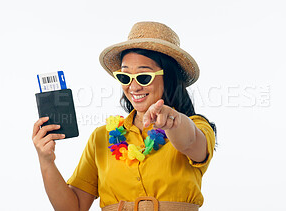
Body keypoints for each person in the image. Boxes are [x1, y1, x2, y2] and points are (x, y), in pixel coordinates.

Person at [32, 21, 217, 211]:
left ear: (168, 77)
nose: (134, 86)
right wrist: (46, 161)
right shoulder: (101, 137)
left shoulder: (195, 127)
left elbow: (190, 141)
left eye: (144, 76)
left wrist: (174, 122)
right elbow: (73, 208)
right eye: (125, 77)